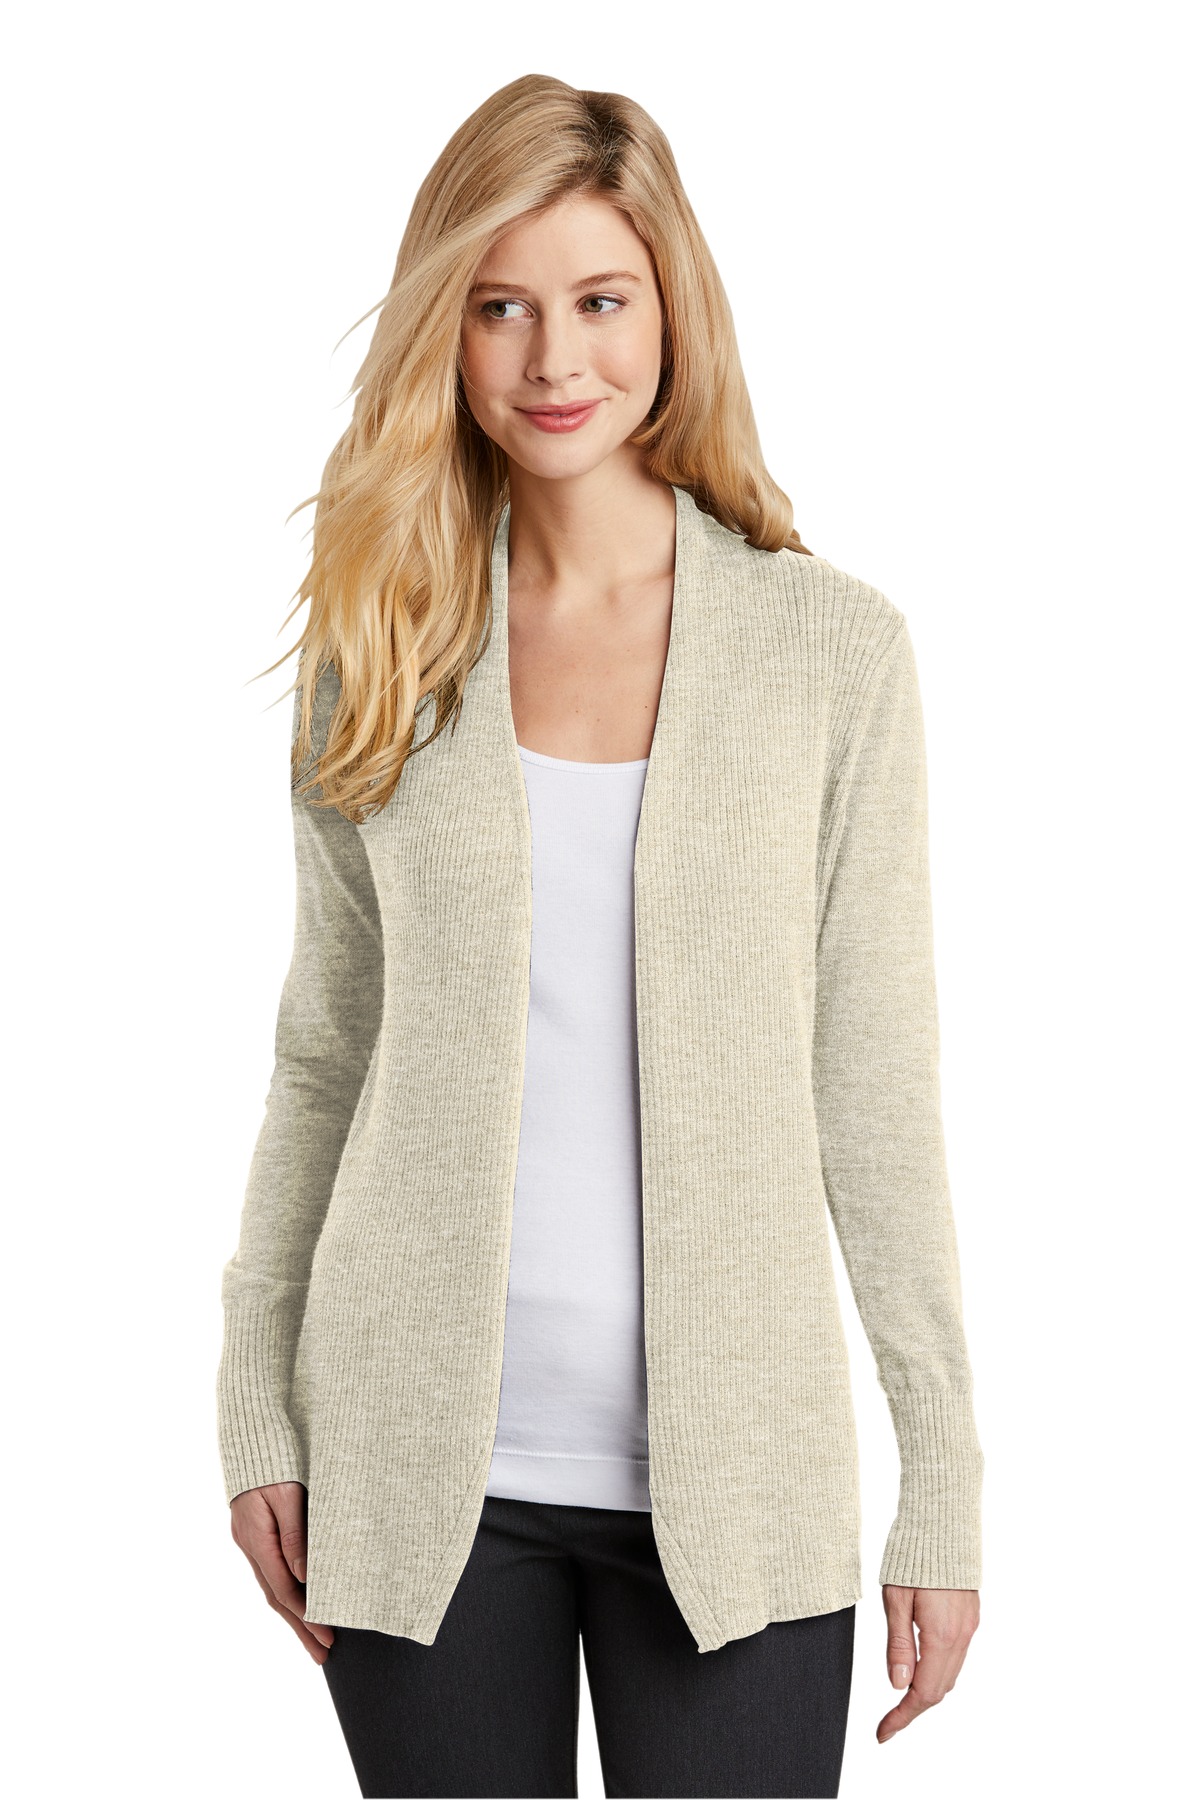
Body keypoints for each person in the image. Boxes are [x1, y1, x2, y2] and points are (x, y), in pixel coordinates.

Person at [216, 73, 984, 1800]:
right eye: (499, 306)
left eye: (598, 300)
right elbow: (325, 1052)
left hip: (746, 1483)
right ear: (444, 330)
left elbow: (874, 1088)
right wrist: (256, 1399)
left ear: (671, 311)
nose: (552, 358)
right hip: (416, 1473)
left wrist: (941, 1475)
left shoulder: (830, 654)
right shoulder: (386, 645)